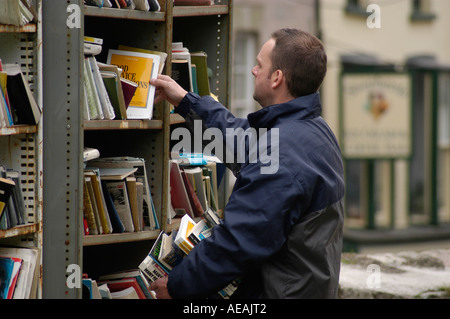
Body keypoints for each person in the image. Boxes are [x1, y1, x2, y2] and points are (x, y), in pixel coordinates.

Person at [149, 28, 345, 299]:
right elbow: (243, 141)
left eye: (259, 65)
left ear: (277, 78)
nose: (253, 70)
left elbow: (238, 241)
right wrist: (185, 101)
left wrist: (176, 286)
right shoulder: (313, 130)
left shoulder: (282, 155)